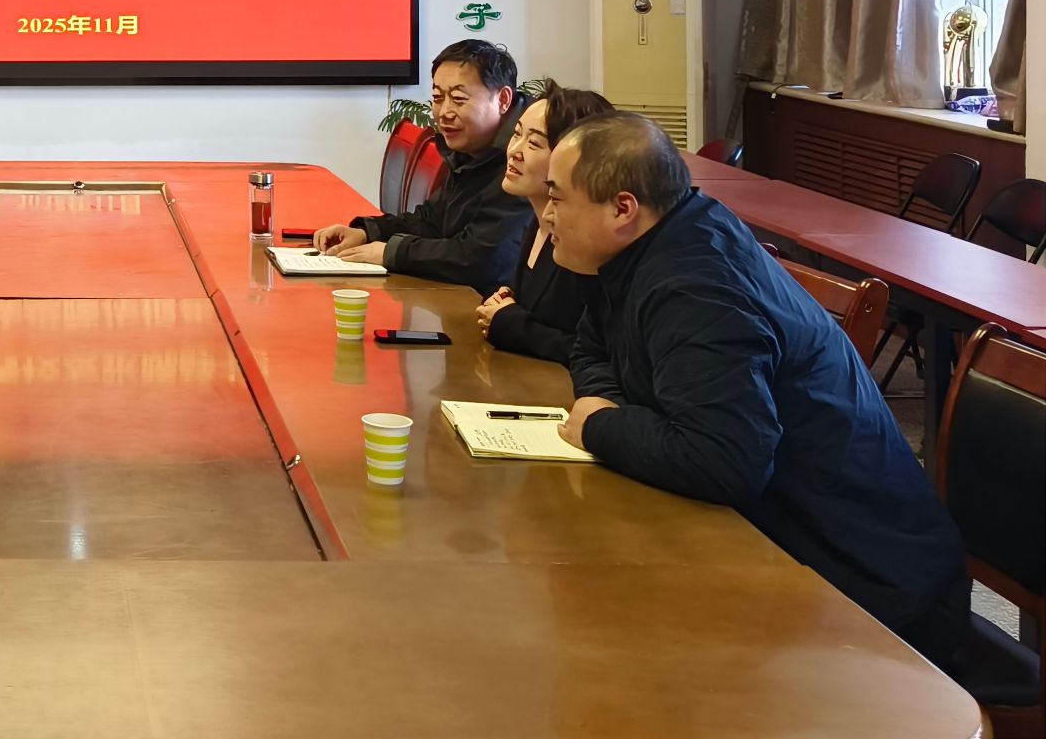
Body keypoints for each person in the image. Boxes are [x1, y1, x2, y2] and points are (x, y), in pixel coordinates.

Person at [546, 112, 968, 665]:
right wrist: (602, 403)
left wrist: (600, 425)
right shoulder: (646, 246)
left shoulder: (697, 283)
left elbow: (723, 461)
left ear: (623, 209)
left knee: (605, 642)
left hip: (867, 589)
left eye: (557, 198)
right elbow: (590, 348)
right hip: (780, 541)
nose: (546, 214)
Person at [312, 39, 534, 290]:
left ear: (503, 99)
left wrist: (391, 252)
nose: (444, 112)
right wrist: (367, 232)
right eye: (438, 97)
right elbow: (431, 220)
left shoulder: (524, 160)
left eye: (458, 99)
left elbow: (479, 259)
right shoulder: (472, 148)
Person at [473, 80, 614, 363]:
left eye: (534, 143)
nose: (514, 151)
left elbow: (597, 353)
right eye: (516, 134)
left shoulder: (586, 244)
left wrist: (512, 324)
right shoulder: (537, 221)